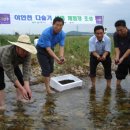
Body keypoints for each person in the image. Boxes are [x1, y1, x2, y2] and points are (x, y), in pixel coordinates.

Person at [0, 35, 37, 110]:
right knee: (0, 84)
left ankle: (19, 98)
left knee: (20, 79)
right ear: (17, 47)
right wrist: (22, 89)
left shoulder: (27, 53)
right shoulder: (8, 52)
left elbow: (26, 70)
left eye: (26, 50)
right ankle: (2, 104)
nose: (25, 52)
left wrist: (27, 87)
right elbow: (10, 74)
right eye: (23, 50)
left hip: (13, 63)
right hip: (0, 62)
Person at [36, 17, 66, 94]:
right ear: (53, 24)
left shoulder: (62, 34)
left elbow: (61, 46)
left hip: (51, 48)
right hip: (41, 49)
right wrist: (57, 59)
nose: (58, 27)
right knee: (46, 69)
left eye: (61, 25)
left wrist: (61, 57)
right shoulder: (46, 33)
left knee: (51, 69)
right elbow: (48, 49)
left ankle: (48, 84)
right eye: (57, 25)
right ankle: (48, 90)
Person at [114, 20, 130, 87]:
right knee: (119, 74)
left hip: (127, 53)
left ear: (125, 27)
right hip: (122, 55)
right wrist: (117, 57)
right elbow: (117, 47)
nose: (119, 32)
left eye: (121, 30)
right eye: (117, 30)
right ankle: (118, 89)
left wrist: (122, 58)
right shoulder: (116, 34)